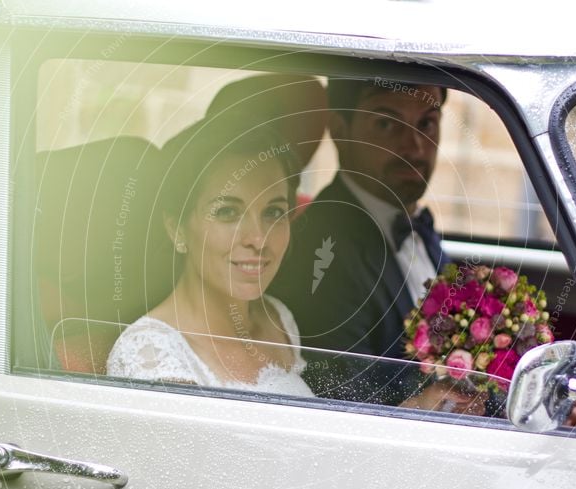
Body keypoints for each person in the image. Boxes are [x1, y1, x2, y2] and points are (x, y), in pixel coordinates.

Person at [107, 115, 314, 397]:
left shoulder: (278, 318)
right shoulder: (151, 355)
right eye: (227, 212)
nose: (258, 239)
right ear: (176, 228)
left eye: (273, 212)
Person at [269, 77, 449, 404]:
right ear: (340, 129)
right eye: (385, 124)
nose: (415, 146)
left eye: (427, 123)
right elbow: (349, 400)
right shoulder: (323, 251)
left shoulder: (417, 229)